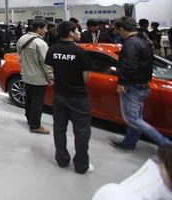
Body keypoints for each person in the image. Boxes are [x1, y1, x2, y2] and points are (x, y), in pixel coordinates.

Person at [109, 16, 171, 151]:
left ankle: (165, 144)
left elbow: (128, 65)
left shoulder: (130, 43)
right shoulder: (143, 41)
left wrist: (121, 81)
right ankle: (129, 143)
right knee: (136, 117)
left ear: (122, 29)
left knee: (132, 119)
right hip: (143, 85)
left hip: (133, 86)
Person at [46, 21, 94, 174]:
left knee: (59, 128)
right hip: (78, 97)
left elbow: (52, 70)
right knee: (81, 132)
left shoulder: (52, 50)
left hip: (59, 94)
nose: (80, 33)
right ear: (71, 33)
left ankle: (62, 159)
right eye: (77, 30)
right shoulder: (80, 52)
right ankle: (81, 165)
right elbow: (86, 76)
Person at [17, 20, 53, 134]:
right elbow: (45, 63)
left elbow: (20, 56)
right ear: (39, 29)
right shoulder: (41, 43)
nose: (46, 31)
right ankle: (35, 125)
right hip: (39, 78)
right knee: (37, 102)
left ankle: (29, 119)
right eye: (45, 28)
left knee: (29, 99)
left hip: (27, 75)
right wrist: (51, 77)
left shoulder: (22, 39)